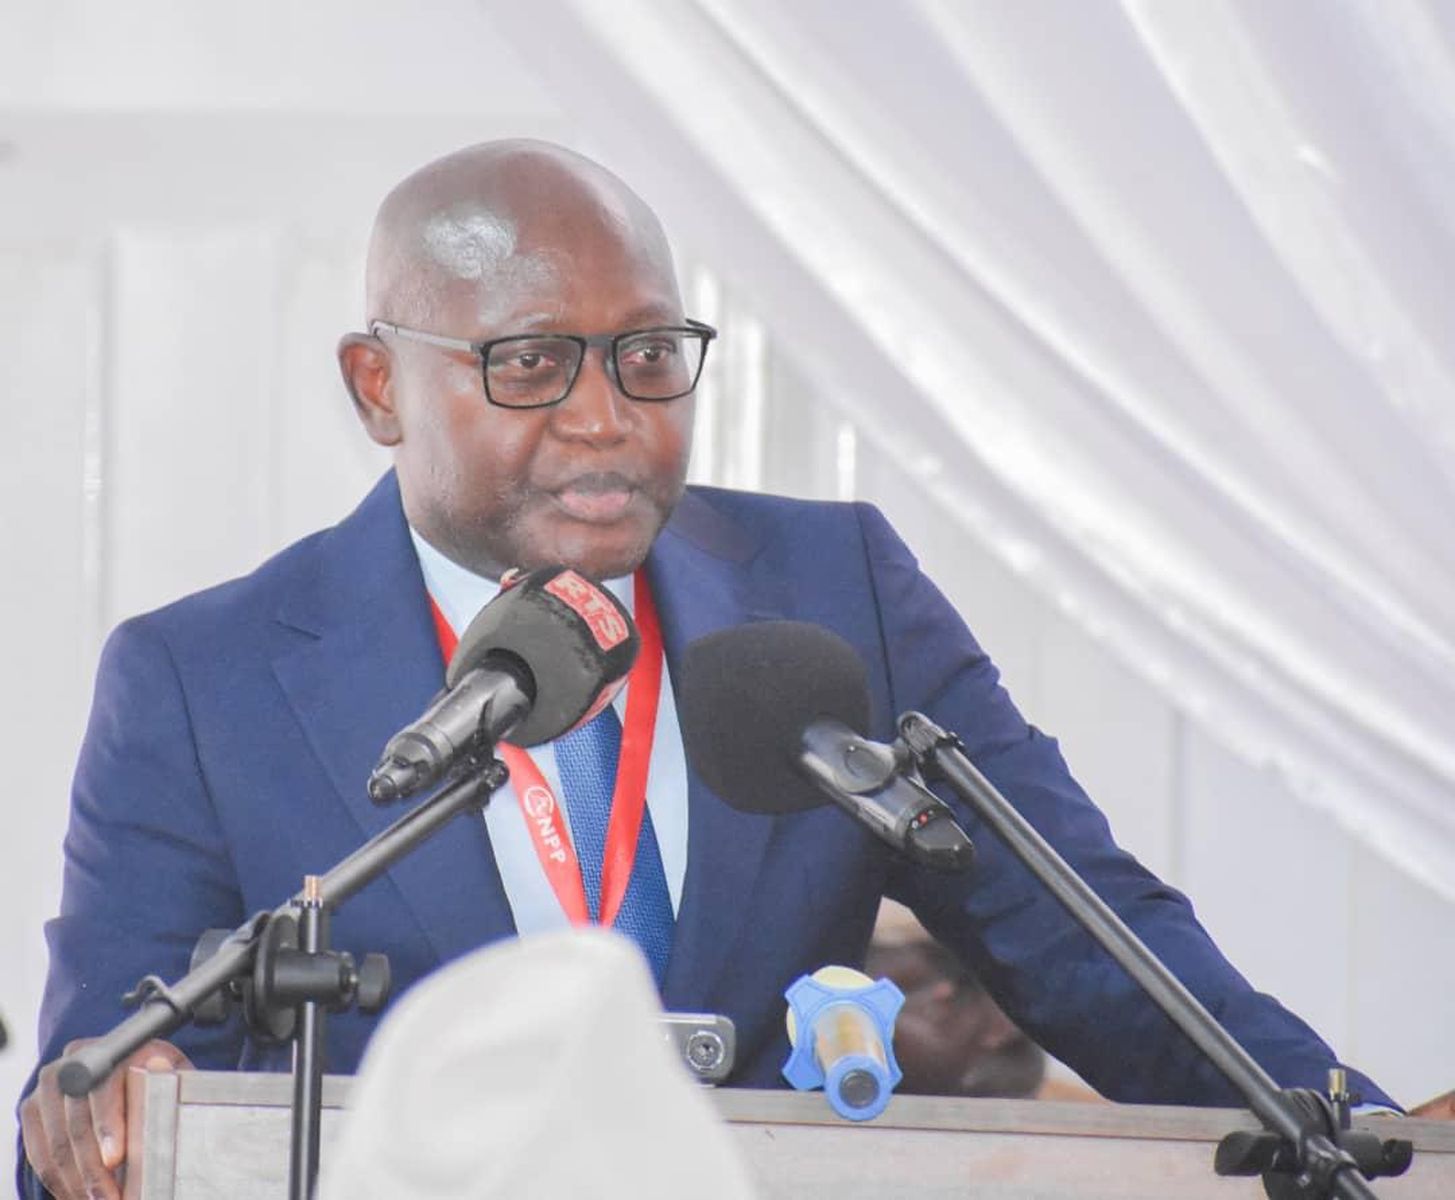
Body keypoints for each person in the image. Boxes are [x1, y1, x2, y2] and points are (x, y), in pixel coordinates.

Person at [18, 140, 1402, 1200]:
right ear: (379, 386)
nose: (606, 417)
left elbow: (1092, 937)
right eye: (532, 363)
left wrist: (1366, 1139)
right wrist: (106, 1107)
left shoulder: (834, 593)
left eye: (647, 355)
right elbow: (91, 1103)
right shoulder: (201, 683)